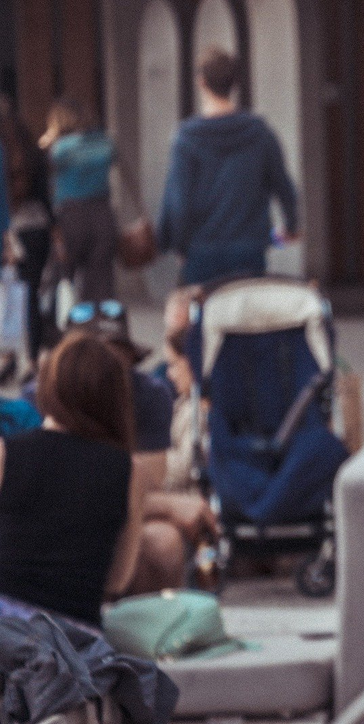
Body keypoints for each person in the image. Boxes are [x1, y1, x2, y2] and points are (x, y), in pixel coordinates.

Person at [60, 300, 218, 594]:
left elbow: (149, 483)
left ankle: (153, 630)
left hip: (125, 515)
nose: (101, 368)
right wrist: (171, 505)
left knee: (163, 543)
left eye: (111, 356)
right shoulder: (43, 399)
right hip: (59, 525)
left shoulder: (148, 395)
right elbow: (55, 494)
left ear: (128, 359)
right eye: (89, 357)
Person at [0, 332, 144, 627]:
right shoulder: (128, 469)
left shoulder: (6, 453)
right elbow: (118, 580)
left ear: (49, 386)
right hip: (75, 640)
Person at [157, 46, 299, 285]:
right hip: (250, 248)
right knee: (246, 317)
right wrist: (291, 225)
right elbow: (283, 186)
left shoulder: (187, 138)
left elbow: (178, 200)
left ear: (201, 82)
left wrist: (175, 245)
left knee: (204, 318)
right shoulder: (259, 132)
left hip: (201, 250)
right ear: (235, 83)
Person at [39, 99, 118, 301]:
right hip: (102, 213)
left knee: (62, 277)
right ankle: (97, 325)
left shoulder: (60, 148)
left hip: (70, 214)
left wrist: (48, 140)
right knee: (101, 279)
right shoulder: (104, 142)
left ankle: (66, 326)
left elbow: (40, 167)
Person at [0, 95, 54, 373]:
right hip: (37, 227)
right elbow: (46, 193)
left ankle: (8, 358)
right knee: (30, 295)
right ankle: (33, 359)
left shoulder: (4, 149)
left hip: (12, 231)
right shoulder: (29, 145)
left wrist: (7, 239)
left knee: (11, 297)